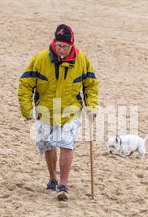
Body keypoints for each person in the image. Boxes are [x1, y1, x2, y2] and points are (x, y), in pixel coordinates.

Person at [18, 24, 99, 200]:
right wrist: (26, 108)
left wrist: (91, 107)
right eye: (58, 45)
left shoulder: (82, 60)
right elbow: (25, 84)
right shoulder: (40, 59)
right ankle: (52, 179)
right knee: (48, 144)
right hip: (45, 110)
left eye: (65, 46)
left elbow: (91, 85)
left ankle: (63, 184)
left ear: (72, 45)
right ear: (54, 43)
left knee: (66, 143)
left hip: (70, 110)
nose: (61, 50)